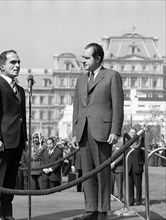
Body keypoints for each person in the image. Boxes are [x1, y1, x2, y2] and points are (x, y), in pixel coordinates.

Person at [72, 43, 124, 220]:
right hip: (83, 131)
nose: (83, 61)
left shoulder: (111, 76)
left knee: (102, 173)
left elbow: (118, 105)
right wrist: (75, 130)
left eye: (87, 58)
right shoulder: (80, 79)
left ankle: (103, 210)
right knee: (87, 173)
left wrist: (115, 130)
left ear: (98, 59)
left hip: (103, 131)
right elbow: (76, 107)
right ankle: (90, 209)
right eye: (83, 57)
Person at [0, 50, 27, 220]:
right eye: (13, 62)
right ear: (2, 66)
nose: (17, 66)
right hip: (1, 141)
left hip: (17, 141)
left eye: (18, 62)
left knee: (10, 180)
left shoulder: (21, 90)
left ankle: (7, 214)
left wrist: (24, 139)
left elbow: (21, 117)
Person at [127, 127, 145, 206]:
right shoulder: (126, 143)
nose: (133, 134)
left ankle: (138, 201)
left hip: (137, 167)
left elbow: (144, 156)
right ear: (129, 133)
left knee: (138, 186)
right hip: (129, 168)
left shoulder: (140, 142)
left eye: (134, 132)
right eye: (131, 132)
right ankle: (131, 201)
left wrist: (141, 164)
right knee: (130, 186)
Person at [111, 137, 124, 202]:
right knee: (110, 185)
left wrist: (114, 163)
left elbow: (121, 156)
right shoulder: (109, 143)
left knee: (119, 186)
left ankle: (120, 199)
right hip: (109, 168)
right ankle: (110, 197)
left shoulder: (121, 144)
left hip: (118, 168)